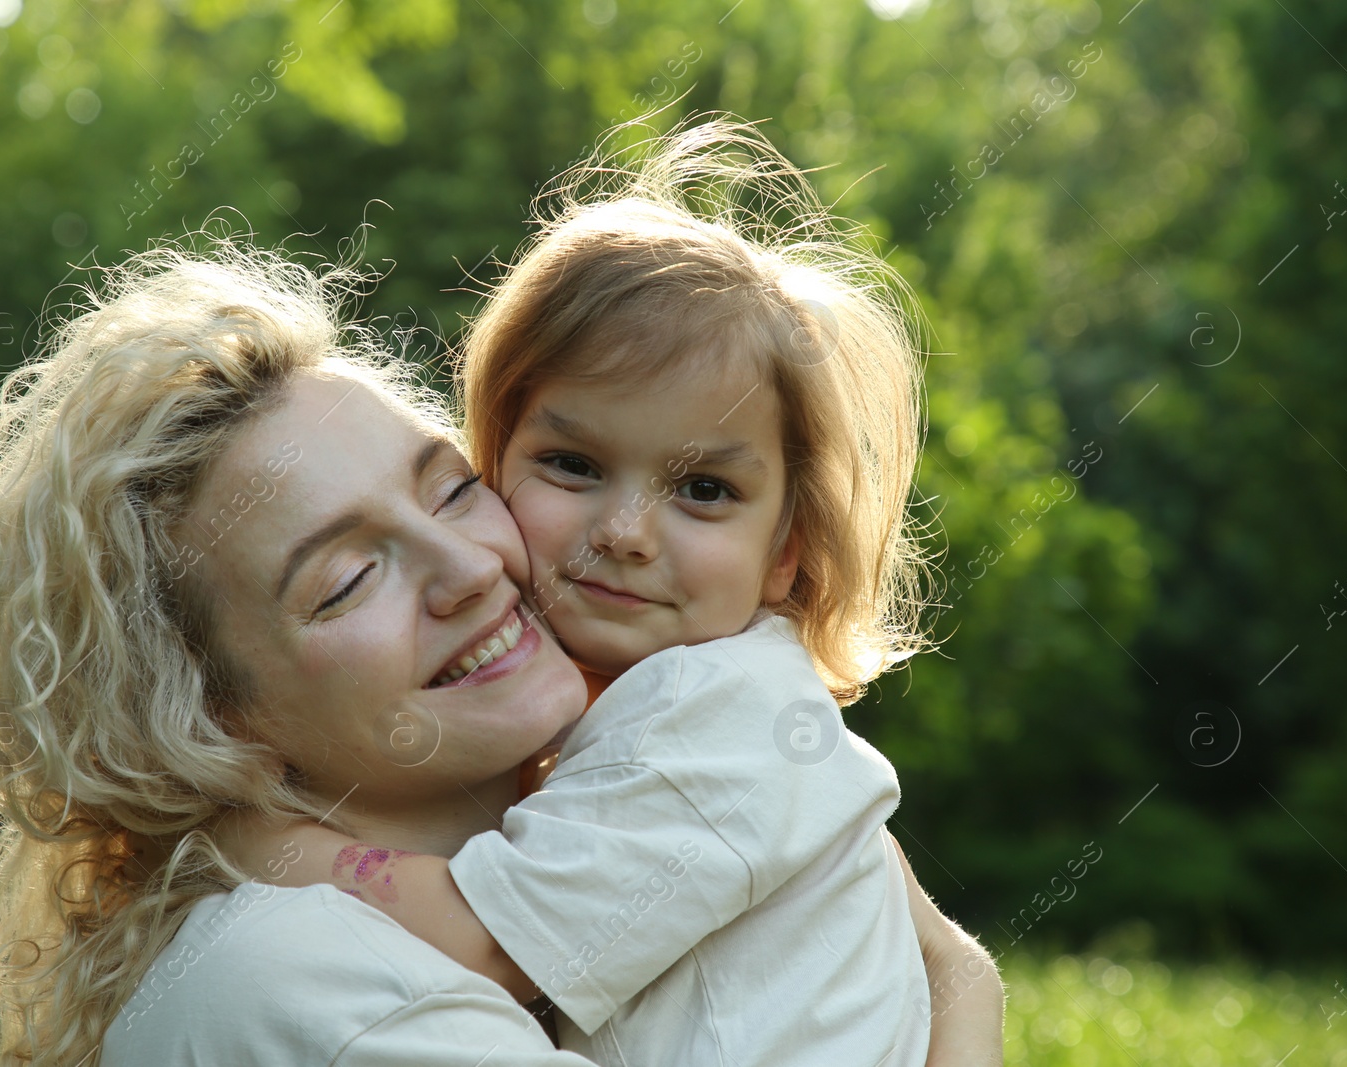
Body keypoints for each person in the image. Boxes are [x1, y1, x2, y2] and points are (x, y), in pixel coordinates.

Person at [0, 241, 1000, 1067]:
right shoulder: (289, 977)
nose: (472, 566)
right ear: (206, 714)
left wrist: (958, 976)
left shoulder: (679, 750)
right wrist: (962, 983)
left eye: (448, 488)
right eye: (346, 578)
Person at [219, 121, 996, 1067]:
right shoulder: (692, 716)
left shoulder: (704, 717)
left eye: (704, 490)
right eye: (574, 464)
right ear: (492, 459)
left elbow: (493, 944)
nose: (626, 531)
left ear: (785, 554)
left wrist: (271, 849)